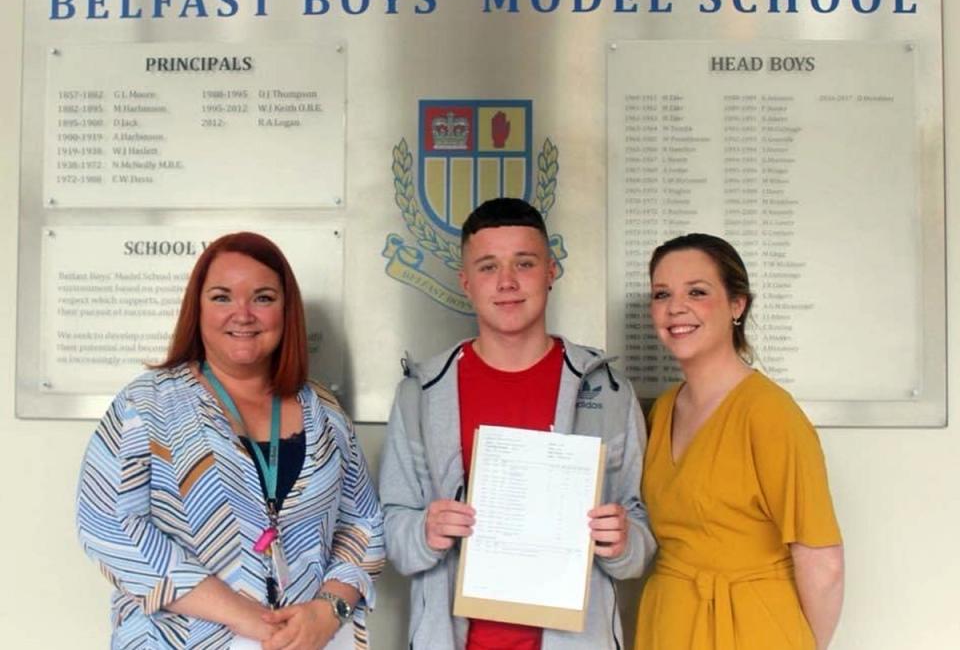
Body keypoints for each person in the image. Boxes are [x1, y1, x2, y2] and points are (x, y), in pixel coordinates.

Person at [76, 232, 384, 649]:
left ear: (286, 311)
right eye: (222, 297)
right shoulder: (146, 404)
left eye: (263, 297)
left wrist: (329, 609)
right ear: (197, 309)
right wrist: (246, 618)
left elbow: (363, 524)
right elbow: (108, 526)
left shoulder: (325, 412)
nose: (243, 314)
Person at [380, 197, 656, 650]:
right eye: (488, 267)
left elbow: (639, 538)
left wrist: (624, 542)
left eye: (524, 263)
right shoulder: (423, 393)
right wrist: (424, 532)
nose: (507, 282)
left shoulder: (607, 391)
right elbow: (392, 527)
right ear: (465, 282)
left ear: (551, 271)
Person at [635, 233, 844, 650]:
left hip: (753, 629)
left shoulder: (770, 414)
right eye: (662, 294)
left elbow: (823, 563)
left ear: (737, 304)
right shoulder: (662, 411)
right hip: (668, 624)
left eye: (697, 291)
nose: (676, 307)